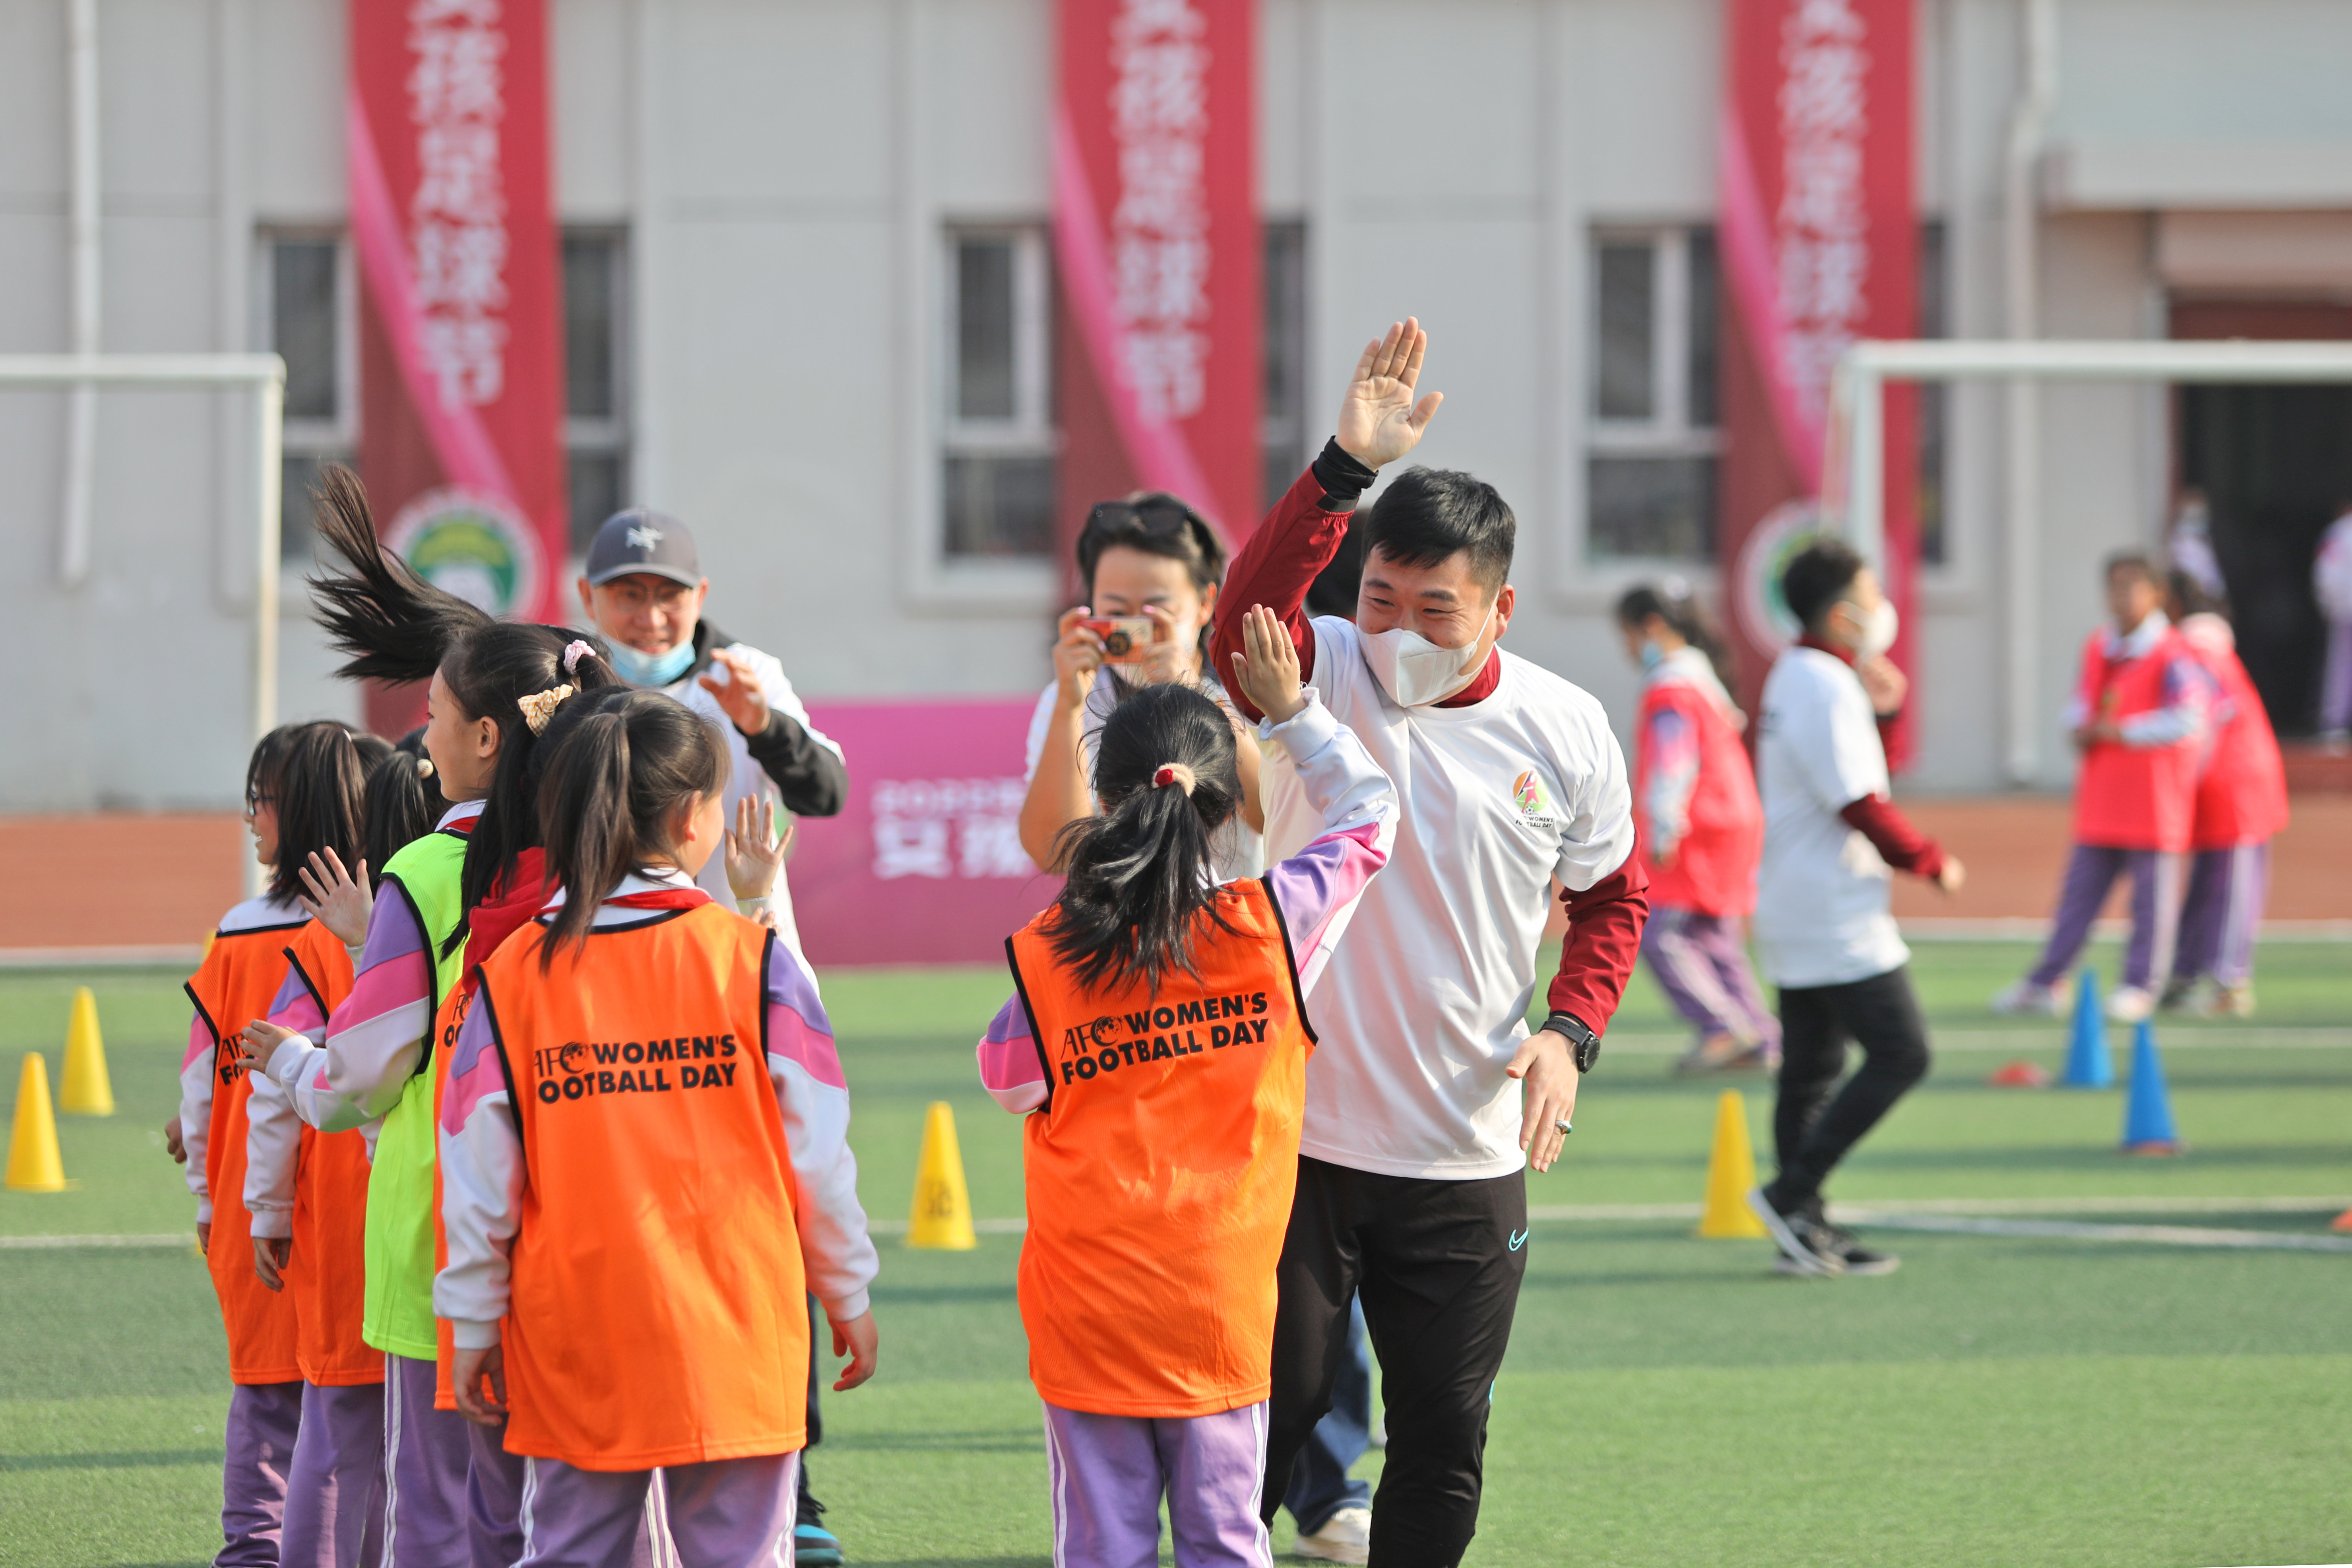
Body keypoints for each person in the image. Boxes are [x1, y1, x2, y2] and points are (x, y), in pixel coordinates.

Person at [1209, 320, 1650, 1567]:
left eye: (1432, 608)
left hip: (1463, 1151)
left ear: (1496, 609)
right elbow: (1240, 616)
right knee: (1261, 1427)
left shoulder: (1565, 727)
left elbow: (1614, 899)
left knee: (1444, 1436)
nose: (1397, 627)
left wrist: (1569, 1035)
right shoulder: (1321, 664)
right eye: (1380, 597)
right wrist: (1343, 467)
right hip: (1296, 1141)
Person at [244, 465, 621, 1567]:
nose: (423, 730)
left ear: (492, 739)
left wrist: (295, 1068)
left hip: (443, 1235)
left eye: (440, 713)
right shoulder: (609, 862)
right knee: (575, 1518)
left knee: (448, 1523)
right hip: (588, 1231)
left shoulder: (425, 868)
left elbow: (370, 1069)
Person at [977, 608, 1397, 1568]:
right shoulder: (1272, 923)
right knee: (1224, 1541)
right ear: (1218, 802)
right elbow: (1372, 817)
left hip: (1088, 1308)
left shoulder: (1055, 948)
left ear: (1106, 794)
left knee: (1102, 1546)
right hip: (1223, 1300)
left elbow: (1006, 1077)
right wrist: (1294, 717)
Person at [436, 688, 880, 1568]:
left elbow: (476, 1173)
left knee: (568, 1550)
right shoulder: (756, 961)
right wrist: (848, 1288)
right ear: (690, 819)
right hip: (736, 1327)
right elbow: (819, 1156)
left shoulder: (512, 971)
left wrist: (472, 1320)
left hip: (576, 1334)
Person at [1748, 539, 1966, 1277]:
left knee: (1811, 1067)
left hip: (1796, 897)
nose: (1882, 611)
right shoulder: (1821, 683)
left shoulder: (1806, 673)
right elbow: (1860, 801)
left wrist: (1892, 710)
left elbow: (1870, 766)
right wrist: (1930, 861)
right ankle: (1790, 1193)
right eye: (1872, 597)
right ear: (1842, 613)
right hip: (1831, 906)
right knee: (1903, 1051)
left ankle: (1802, 1228)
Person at [243, 734, 431, 1568]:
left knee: (337, 1419)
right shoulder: (493, 919)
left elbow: (277, 1081)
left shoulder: (325, 940)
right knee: (416, 1437)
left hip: (353, 1216)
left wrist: (264, 1207)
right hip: (432, 1212)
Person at [178, 721, 361, 1568]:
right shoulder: (373, 921)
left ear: (300, 812)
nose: (250, 819)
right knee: (338, 1403)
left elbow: (200, 1075)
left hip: (260, 1203)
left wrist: (212, 1197)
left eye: (262, 801)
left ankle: (254, 1550)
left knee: (262, 1393)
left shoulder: (239, 929)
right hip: (346, 1201)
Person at [577, 508, 846, 952]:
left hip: (743, 961)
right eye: (629, 595)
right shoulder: (566, 683)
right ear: (588, 597)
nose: (652, 617)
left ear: (700, 596)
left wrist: (764, 726)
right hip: (611, 960)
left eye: (670, 596)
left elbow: (825, 793)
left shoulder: (746, 675)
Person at [1992, 552, 2209, 1023]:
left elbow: (2190, 719)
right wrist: (2076, 726)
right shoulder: (2099, 646)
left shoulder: (2172, 653)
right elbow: (2081, 701)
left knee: (2150, 905)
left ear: (2156, 595)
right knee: (2077, 899)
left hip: (2153, 800)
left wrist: (2123, 732)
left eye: (2132, 586)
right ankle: (2046, 981)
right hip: (2103, 797)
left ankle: (2140, 985)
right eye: (2114, 586)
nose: (2121, 597)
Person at [1020, 493, 1266, 883]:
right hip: (1115, 936)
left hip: (1228, 929)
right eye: (1116, 614)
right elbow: (1053, 853)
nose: (1135, 634)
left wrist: (1192, 692)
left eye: (1155, 613)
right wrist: (1069, 705)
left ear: (1206, 604)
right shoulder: (1070, 698)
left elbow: (1269, 815)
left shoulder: (1247, 690)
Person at [1614, 582, 1775, 1075]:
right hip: (1734, 817)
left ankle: (1723, 1028)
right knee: (1715, 937)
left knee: (1660, 934)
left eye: (1626, 634)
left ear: (1651, 628)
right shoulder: (1702, 676)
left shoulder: (1671, 685)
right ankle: (1763, 1037)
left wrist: (1663, 828)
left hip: (1696, 824)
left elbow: (1673, 761)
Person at [2162, 573, 2289, 1016]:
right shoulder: (2200, 647)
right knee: (2207, 883)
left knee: (2233, 885)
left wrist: (2183, 782)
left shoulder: (2194, 650)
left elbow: (2206, 719)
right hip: (2221, 779)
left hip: (2236, 780)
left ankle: (2229, 981)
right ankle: (2187, 973)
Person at [2315, 500, 2352, 742]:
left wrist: (2327, 603)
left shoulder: (2337, 532)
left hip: (2343, 607)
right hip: (2344, 607)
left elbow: (2324, 573)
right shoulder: (2339, 532)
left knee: (2340, 665)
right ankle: (2334, 722)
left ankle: (2334, 722)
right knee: (2341, 665)